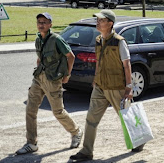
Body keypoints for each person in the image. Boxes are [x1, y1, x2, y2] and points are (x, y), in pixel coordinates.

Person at [70, 9, 143, 161]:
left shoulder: (119, 41)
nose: (98, 22)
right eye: (97, 20)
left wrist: (128, 87)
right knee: (91, 119)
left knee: (127, 117)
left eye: (101, 20)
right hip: (100, 87)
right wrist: (96, 79)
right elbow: (99, 61)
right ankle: (86, 151)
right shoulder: (98, 40)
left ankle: (140, 140)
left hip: (117, 87)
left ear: (110, 23)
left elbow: (127, 64)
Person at [16, 12, 83, 155]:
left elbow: (70, 56)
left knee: (58, 112)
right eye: (39, 22)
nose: (41, 25)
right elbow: (40, 57)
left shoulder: (56, 39)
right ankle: (31, 143)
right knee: (30, 109)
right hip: (39, 78)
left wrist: (67, 75)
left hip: (53, 80)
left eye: (44, 22)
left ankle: (76, 131)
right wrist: (39, 65)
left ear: (50, 25)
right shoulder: (38, 39)